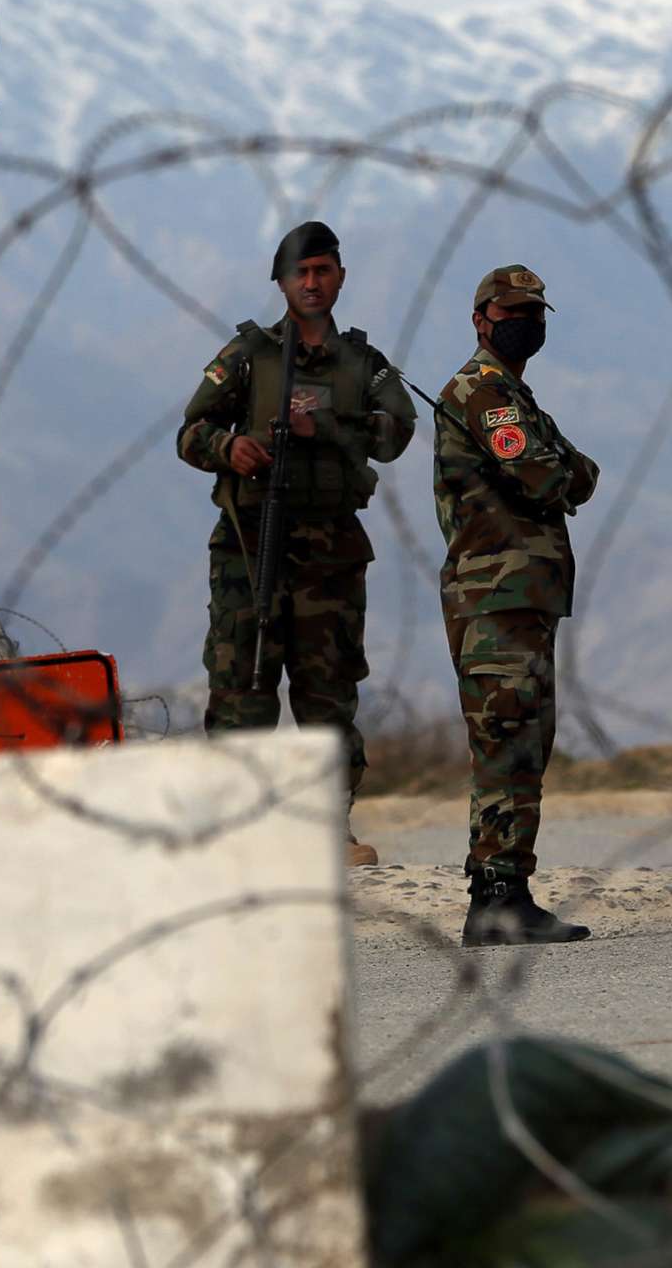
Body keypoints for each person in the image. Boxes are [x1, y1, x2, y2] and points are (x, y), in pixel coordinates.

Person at [179, 220, 415, 866]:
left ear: (340, 276)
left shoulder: (362, 364)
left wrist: (329, 427)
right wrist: (233, 447)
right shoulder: (249, 357)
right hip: (250, 550)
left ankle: (326, 829)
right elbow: (191, 430)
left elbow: (396, 432)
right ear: (280, 282)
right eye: (300, 273)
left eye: (323, 271)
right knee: (241, 690)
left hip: (330, 557)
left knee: (328, 694)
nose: (311, 283)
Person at [431, 265, 600, 946]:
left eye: (535, 310)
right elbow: (551, 474)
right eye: (512, 310)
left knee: (524, 740)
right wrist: (561, 466)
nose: (526, 320)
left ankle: (505, 888)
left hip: (520, 596)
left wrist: (563, 466)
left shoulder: (513, 395)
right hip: (495, 596)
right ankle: (499, 895)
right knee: (508, 741)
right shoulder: (485, 394)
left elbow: (577, 472)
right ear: (481, 318)